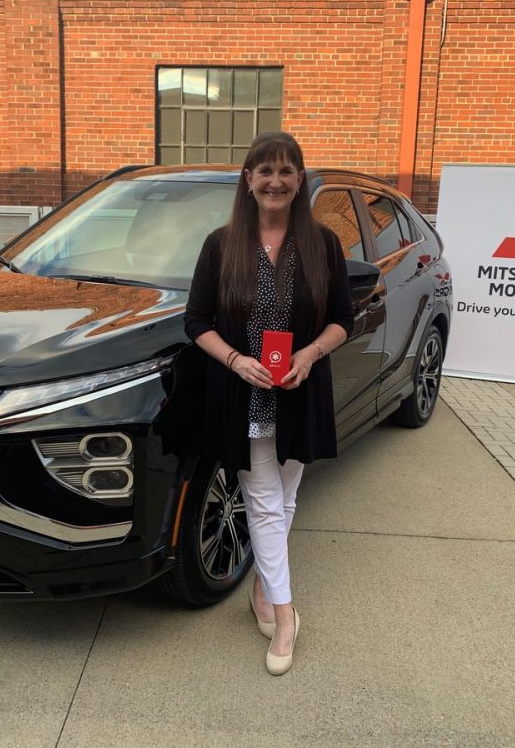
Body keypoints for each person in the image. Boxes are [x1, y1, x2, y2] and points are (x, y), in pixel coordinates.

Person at [184, 131, 353, 675]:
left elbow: (343, 320)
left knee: (283, 499)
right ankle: (285, 615)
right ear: (248, 180)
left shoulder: (323, 244)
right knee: (262, 501)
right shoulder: (221, 244)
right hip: (245, 394)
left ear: (299, 180)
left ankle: (261, 586)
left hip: (299, 392)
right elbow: (196, 321)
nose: (275, 181)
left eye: (286, 171)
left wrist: (309, 354)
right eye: (265, 171)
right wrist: (235, 360)